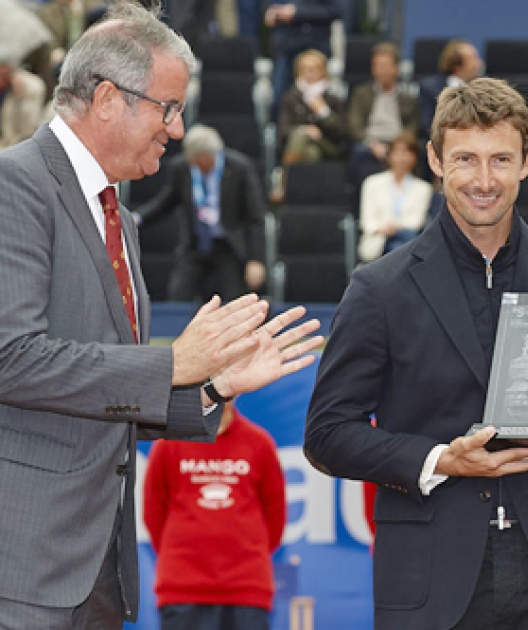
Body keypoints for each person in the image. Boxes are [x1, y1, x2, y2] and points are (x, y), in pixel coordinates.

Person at [0, 3, 323, 627]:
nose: (177, 128)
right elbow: (11, 359)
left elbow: (111, 404)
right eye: (168, 107)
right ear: (106, 99)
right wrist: (171, 361)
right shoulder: (15, 187)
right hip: (23, 569)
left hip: (96, 572)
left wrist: (212, 388)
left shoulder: (122, 218)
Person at [305, 77, 528, 630]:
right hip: (430, 583)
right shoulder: (380, 288)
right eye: (466, 158)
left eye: (501, 159)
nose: (485, 180)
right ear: (435, 159)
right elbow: (327, 434)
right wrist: (442, 460)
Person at [144, 401, 287, 630]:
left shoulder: (259, 442)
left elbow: (275, 515)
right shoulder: (168, 444)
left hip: (246, 589)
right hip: (183, 589)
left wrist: (245, 551)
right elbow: (153, 512)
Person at [136, 124, 268, 302]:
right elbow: (165, 203)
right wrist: (137, 218)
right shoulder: (181, 168)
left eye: (198, 159)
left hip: (228, 246)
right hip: (195, 245)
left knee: (235, 300)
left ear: (208, 155)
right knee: (177, 296)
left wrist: (256, 259)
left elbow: (255, 218)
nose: (194, 163)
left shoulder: (239, 168)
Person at [347, 41, 419, 188]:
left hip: (398, 142)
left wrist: (397, 146)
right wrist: (372, 143)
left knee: (416, 152)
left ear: (396, 68)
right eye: (376, 66)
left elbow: (412, 127)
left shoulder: (408, 98)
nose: (380, 71)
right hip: (368, 143)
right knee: (358, 152)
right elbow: (354, 125)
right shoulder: (361, 93)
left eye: (385, 66)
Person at [357, 132, 433, 262]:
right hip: (378, 240)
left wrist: (395, 228)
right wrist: (385, 228)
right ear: (389, 155)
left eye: (407, 153)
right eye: (398, 152)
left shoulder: (423, 188)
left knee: (402, 243)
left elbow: (415, 222)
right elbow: (367, 222)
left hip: (406, 239)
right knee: (400, 248)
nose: (402, 158)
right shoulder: (372, 183)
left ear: (415, 157)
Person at [264, 0, 341, 122]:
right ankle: (279, 136)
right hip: (287, 47)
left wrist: (297, 12)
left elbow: (335, 10)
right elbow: (271, 7)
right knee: (279, 99)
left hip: (315, 46)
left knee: (319, 99)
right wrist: (273, 13)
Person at [277, 48, 346, 166]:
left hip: (326, 145)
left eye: (314, 69)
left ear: (323, 72)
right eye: (305, 69)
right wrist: (306, 130)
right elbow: (283, 131)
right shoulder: (291, 98)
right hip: (300, 145)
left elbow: (341, 132)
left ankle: (285, 179)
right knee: (311, 152)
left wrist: (323, 112)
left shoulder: (332, 99)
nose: (309, 73)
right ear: (298, 73)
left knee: (302, 139)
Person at [418, 39, 482, 139]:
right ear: (458, 64)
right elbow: (426, 125)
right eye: (473, 58)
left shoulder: (483, 90)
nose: (479, 64)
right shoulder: (430, 88)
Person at [0, 57, 47, 149]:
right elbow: (7, 121)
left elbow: (29, 122)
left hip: (23, 140)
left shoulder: (30, 85)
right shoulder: (8, 94)